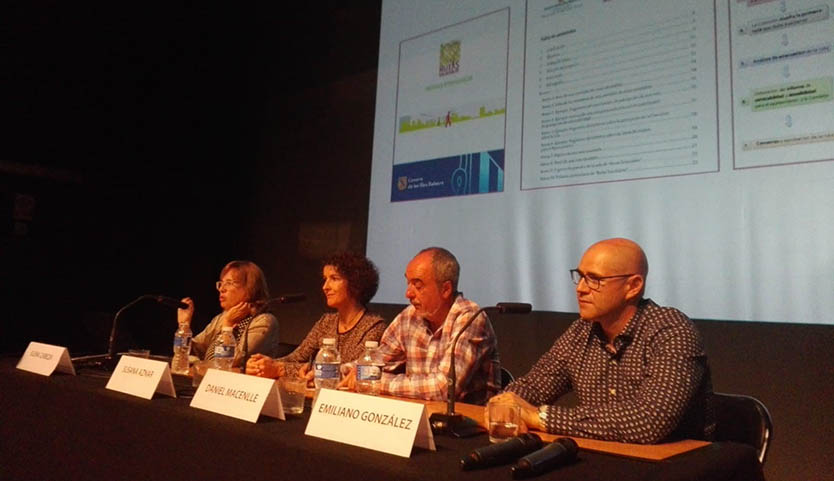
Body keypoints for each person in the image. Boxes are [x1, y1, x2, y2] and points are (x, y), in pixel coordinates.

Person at [488, 238, 714, 444]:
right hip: (606, 456)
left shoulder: (672, 331)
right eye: (580, 276)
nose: (580, 289)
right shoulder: (581, 332)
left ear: (633, 286)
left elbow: (648, 422)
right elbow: (534, 386)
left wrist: (539, 416)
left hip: (675, 464)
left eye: (594, 279)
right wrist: (506, 404)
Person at [344, 247, 500, 404]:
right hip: (420, 418)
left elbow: (443, 388)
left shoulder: (470, 317)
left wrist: (374, 379)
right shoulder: (409, 316)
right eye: (408, 283)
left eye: (417, 285)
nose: (408, 293)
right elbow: (375, 361)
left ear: (446, 289)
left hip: (467, 424)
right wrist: (334, 371)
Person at [246, 253, 386, 380]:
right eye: (325, 279)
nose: (325, 287)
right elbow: (296, 358)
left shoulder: (373, 326)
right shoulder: (327, 321)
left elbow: (345, 370)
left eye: (334, 279)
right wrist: (263, 364)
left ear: (356, 284)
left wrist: (280, 369)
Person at [178, 260, 279, 369]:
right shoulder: (221, 318)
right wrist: (184, 325)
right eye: (221, 283)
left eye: (229, 283)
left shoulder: (264, 321)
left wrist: (227, 328)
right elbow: (192, 351)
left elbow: (232, 362)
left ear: (249, 288)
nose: (222, 289)